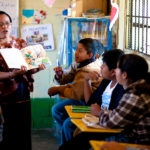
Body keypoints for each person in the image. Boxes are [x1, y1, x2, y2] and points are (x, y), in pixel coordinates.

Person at [59, 54, 150, 150]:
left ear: (124, 74)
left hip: (134, 140)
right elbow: (114, 113)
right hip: (123, 131)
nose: (115, 71)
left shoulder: (134, 95)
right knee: (77, 135)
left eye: (117, 68)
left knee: (80, 141)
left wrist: (99, 112)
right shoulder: (134, 88)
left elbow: (112, 122)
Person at [0, 11, 46, 150]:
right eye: (0, 24)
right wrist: (11, 75)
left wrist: (38, 67)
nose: (4, 27)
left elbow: (29, 68)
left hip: (22, 94)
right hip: (3, 96)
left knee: (24, 131)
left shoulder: (20, 43)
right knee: (7, 132)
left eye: (7, 23)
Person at [61, 49, 124, 145]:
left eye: (103, 65)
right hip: (97, 118)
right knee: (68, 124)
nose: (101, 67)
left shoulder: (121, 88)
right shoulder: (106, 81)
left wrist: (99, 112)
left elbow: (116, 117)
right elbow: (90, 102)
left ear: (113, 71)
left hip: (107, 124)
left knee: (69, 125)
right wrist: (87, 80)